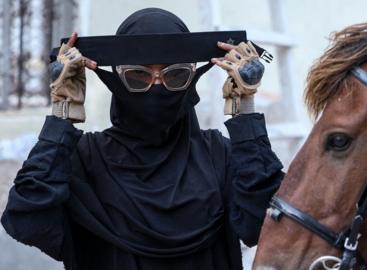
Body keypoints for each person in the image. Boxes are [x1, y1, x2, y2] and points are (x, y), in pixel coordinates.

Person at [1, 8, 284, 270]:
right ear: (116, 80)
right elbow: (28, 217)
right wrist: (63, 113)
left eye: (175, 76)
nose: (157, 86)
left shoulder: (218, 155)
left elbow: (266, 223)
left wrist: (243, 110)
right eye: (138, 76)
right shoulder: (85, 159)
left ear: (191, 80)